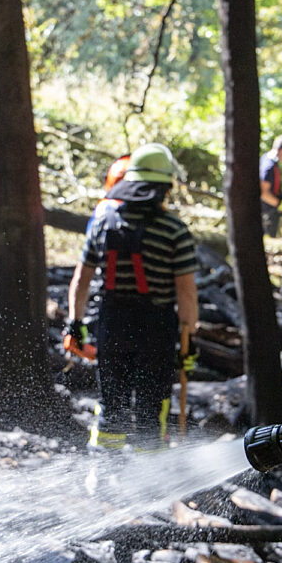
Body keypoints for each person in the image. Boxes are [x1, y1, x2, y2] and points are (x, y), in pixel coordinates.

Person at [66, 143, 199, 450]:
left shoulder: (102, 221)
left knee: (112, 405)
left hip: (112, 326)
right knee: (151, 411)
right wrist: (190, 339)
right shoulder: (174, 229)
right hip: (156, 331)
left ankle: (102, 476)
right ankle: (149, 485)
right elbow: (187, 294)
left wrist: (75, 323)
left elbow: (81, 279)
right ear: (164, 187)